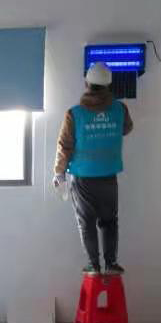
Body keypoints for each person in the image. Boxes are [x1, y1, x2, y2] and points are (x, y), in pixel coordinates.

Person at [53, 62, 134, 276]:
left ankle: (94, 266)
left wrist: (59, 173)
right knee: (109, 221)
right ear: (108, 85)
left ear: (86, 84)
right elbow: (127, 128)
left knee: (86, 222)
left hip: (83, 177)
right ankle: (111, 263)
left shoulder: (74, 114)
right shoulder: (120, 109)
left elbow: (64, 146)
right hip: (108, 175)